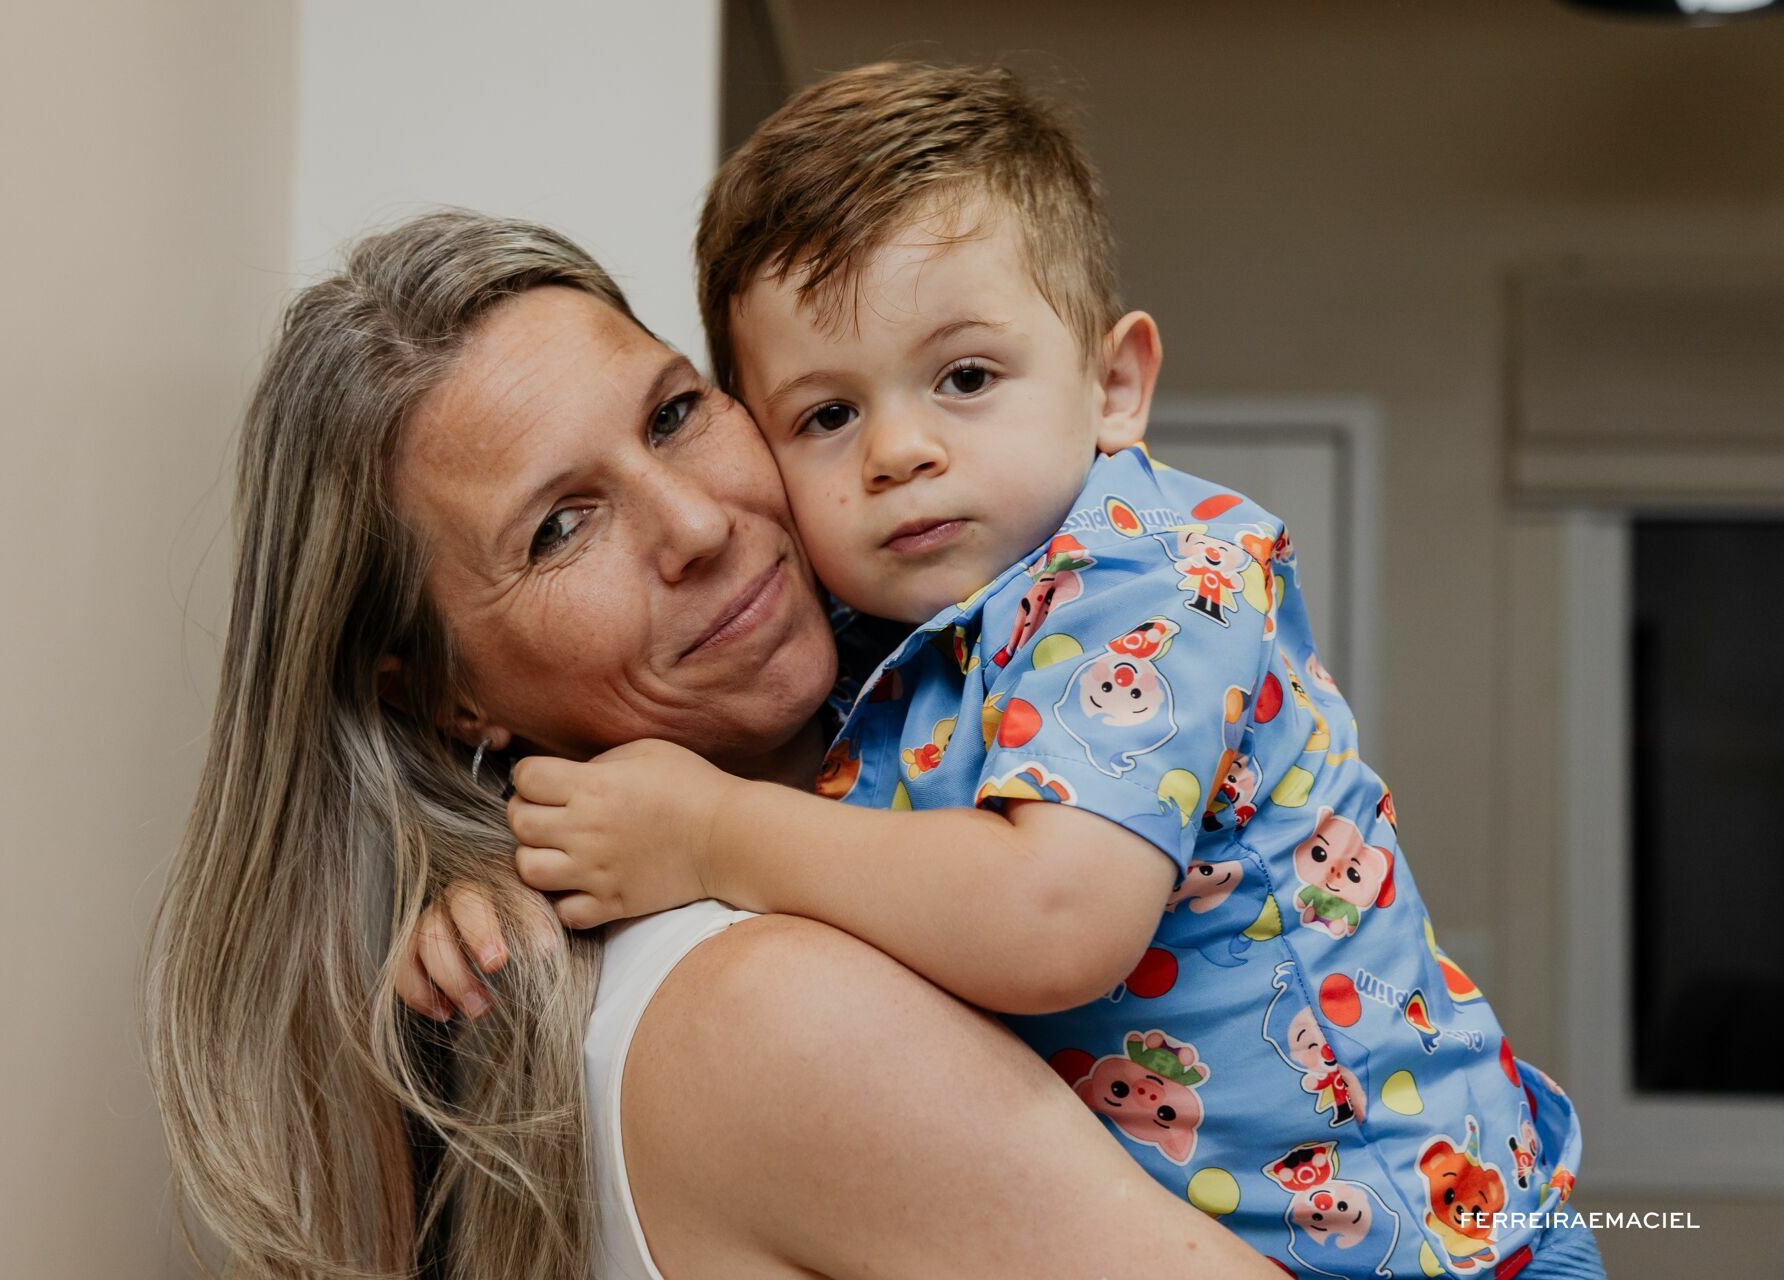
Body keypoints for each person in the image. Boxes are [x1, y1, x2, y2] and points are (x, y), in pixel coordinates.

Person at [413, 64, 1603, 1278]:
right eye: (826, 416)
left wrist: (713, 833)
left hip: (1451, 1238)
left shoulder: (1156, 576)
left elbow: (1052, 917)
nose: (901, 450)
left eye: (966, 377)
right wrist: (502, 881)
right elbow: (666, 805)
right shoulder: (882, 627)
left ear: (1114, 385)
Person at [142, 208, 1274, 1280]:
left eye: (674, 414)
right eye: (558, 527)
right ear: (441, 694)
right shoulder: (770, 1012)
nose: (696, 525)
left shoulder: (953, 688)